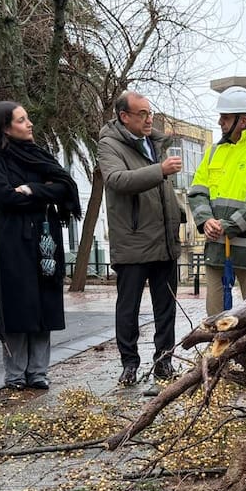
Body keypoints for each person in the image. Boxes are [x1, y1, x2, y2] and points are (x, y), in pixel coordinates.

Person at [0, 101, 81, 390]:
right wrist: (42, 193)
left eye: (28, 119)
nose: (29, 124)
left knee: (44, 302)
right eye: (22, 120)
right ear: (6, 127)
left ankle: (38, 371)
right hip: (11, 239)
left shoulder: (39, 154)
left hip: (45, 237)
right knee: (17, 304)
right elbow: (2, 195)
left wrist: (33, 189)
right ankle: (14, 375)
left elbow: (65, 187)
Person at [97, 90, 184, 386]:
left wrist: (178, 213)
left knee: (166, 306)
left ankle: (164, 362)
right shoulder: (109, 145)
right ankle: (129, 365)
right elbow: (117, 180)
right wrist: (159, 170)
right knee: (128, 307)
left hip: (164, 241)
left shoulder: (156, 143)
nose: (149, 119)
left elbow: (161, 192)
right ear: (124, 117)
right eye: (142, 114)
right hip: (133, 241)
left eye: (150, 113)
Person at [188, 86, 246, 318]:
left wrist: (228, 226)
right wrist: (206, 221)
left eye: (225, 118)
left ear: (243, 120)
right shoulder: (214, 151)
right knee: (215, 317)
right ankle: (217, 355)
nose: (219, 122)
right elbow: (197, 191)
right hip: (216, 248)